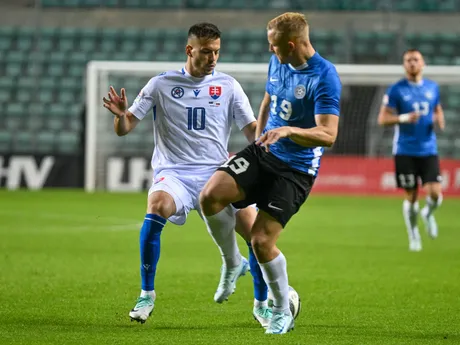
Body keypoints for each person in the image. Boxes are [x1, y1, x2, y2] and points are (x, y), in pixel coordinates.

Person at [102, 22, 271, 327]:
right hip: (175, 173)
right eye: (206, 52)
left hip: (217, 173)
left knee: (253, 229)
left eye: (217, 52)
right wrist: (119, 116)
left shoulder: (229, 86)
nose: (213, 58)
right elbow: (125, 128)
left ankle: (262, 304)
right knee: (155, 207)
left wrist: (268, 143)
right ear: (189, 50)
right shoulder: (160, 84)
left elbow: (251, 133)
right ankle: (146, 295)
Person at [199, 12, 341, 334]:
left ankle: (281, 309)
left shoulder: (324, 77)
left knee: (262, 241)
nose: (270, 51)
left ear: (292, 45)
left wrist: (289, 131)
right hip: (264, 152)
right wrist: (260, 137)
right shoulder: (279, 61)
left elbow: (328, 135)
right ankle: (233, 261)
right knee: (209, 197)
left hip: (296, 169)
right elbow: (267, 99)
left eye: (274, 46)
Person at [378, 49, 445, 252]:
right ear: (404, 65)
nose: (412, 63)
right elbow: (382, 120)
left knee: (435, 194)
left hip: (428, 149)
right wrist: (404, 118)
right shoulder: (396, 90)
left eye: (416, 60)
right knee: (412, 195)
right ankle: (414, 234)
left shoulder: (433, 87)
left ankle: (428, 214)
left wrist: (439, 118)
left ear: (423, 63)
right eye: (408, 60)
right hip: (405, 150)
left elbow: (437, 107)